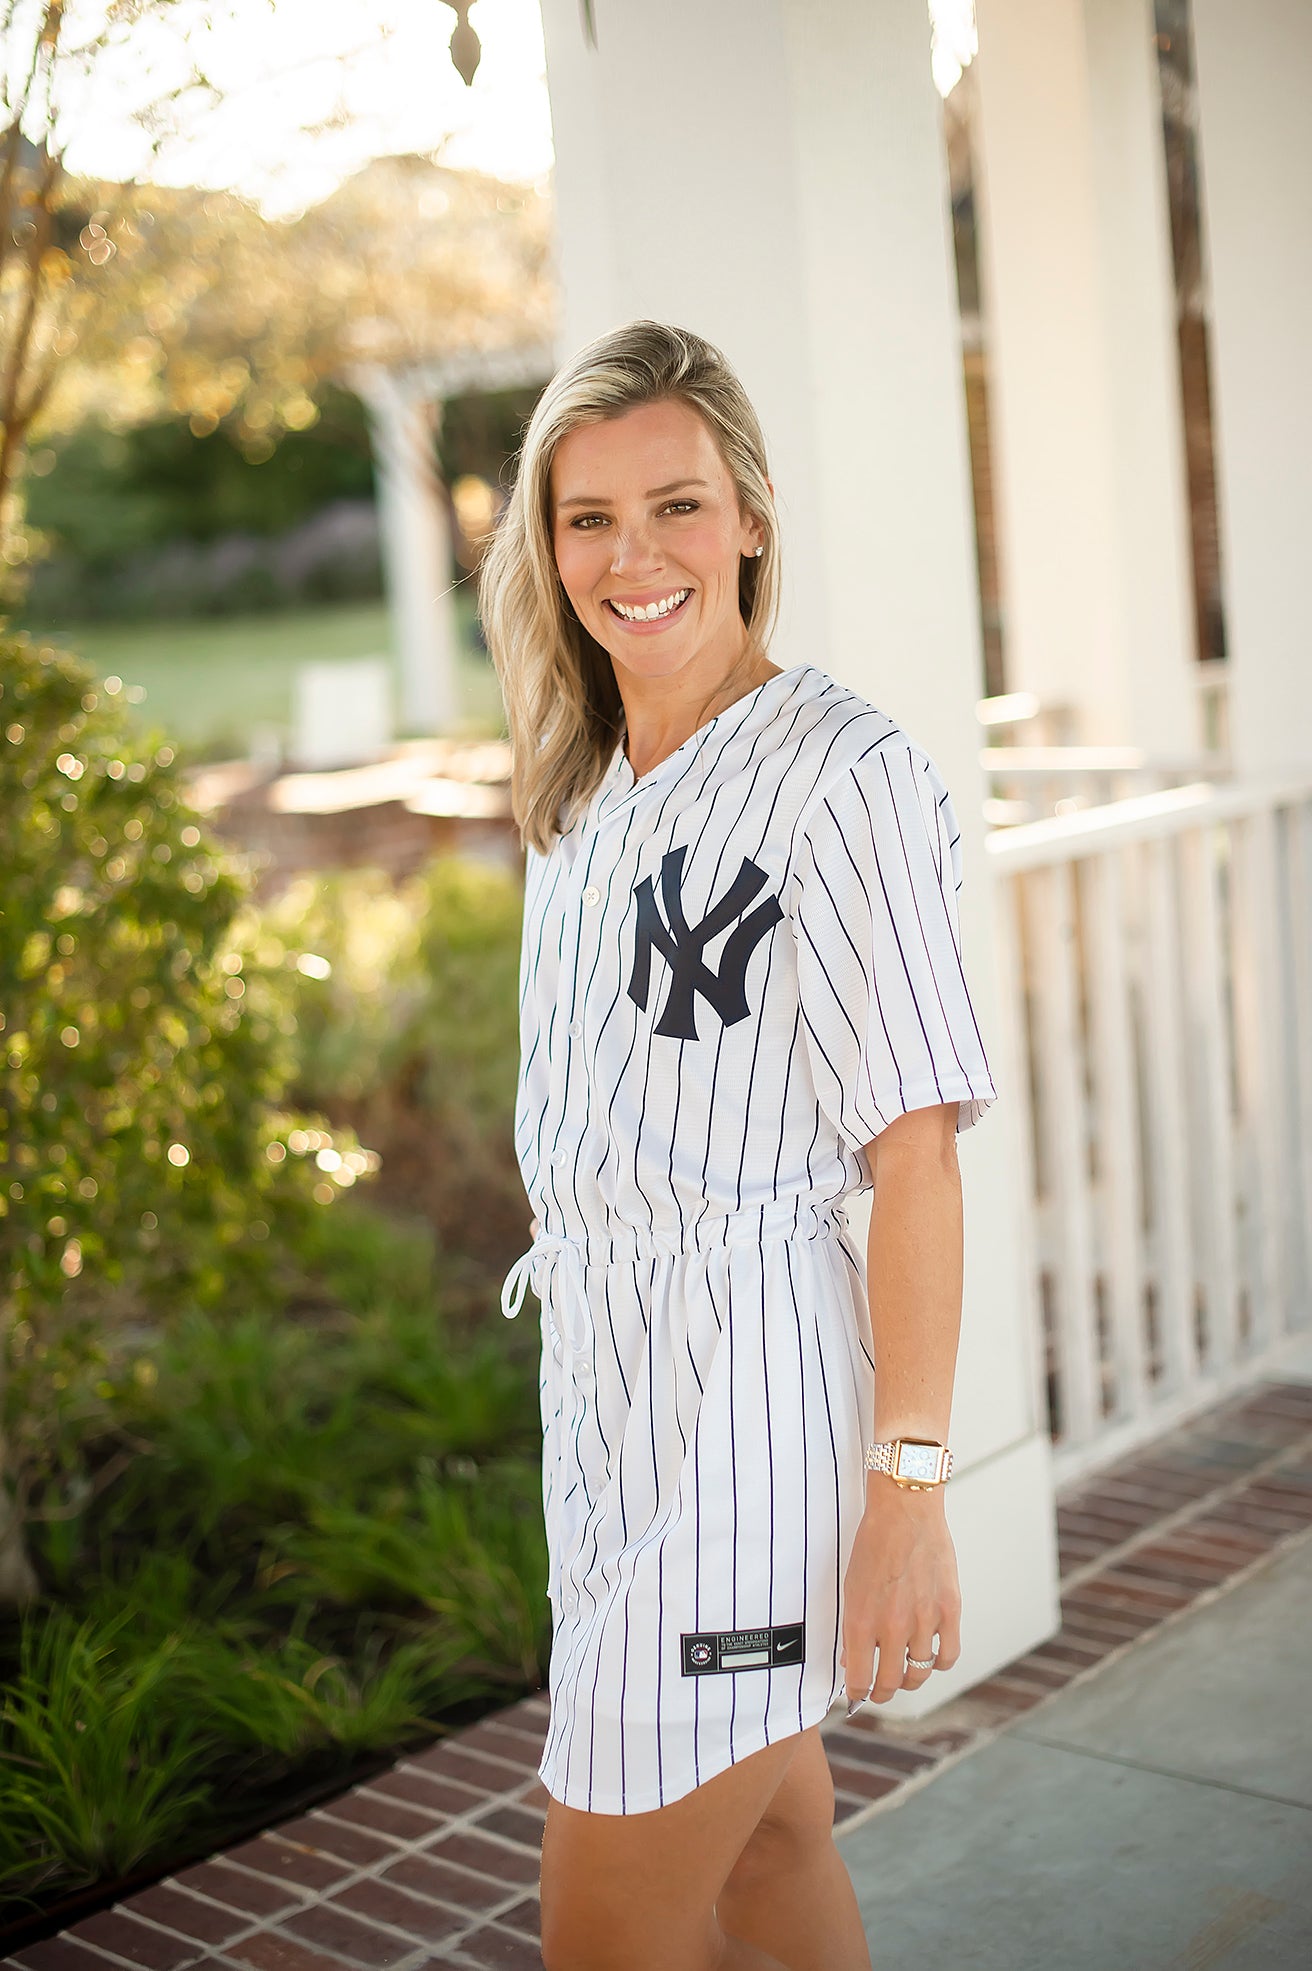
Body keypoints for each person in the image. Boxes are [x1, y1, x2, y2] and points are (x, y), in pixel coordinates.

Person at [481, 320, 997, 1971]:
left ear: (753, 521)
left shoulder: (842, 778)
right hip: (608, 1401)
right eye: (588, 520)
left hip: (747, 1424)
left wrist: (909, 1485)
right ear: (546, 548)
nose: (635, 558)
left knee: (606, 1930)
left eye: (679, 506)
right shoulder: (583, 790)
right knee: (769, 1856)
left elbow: (914, 1155)